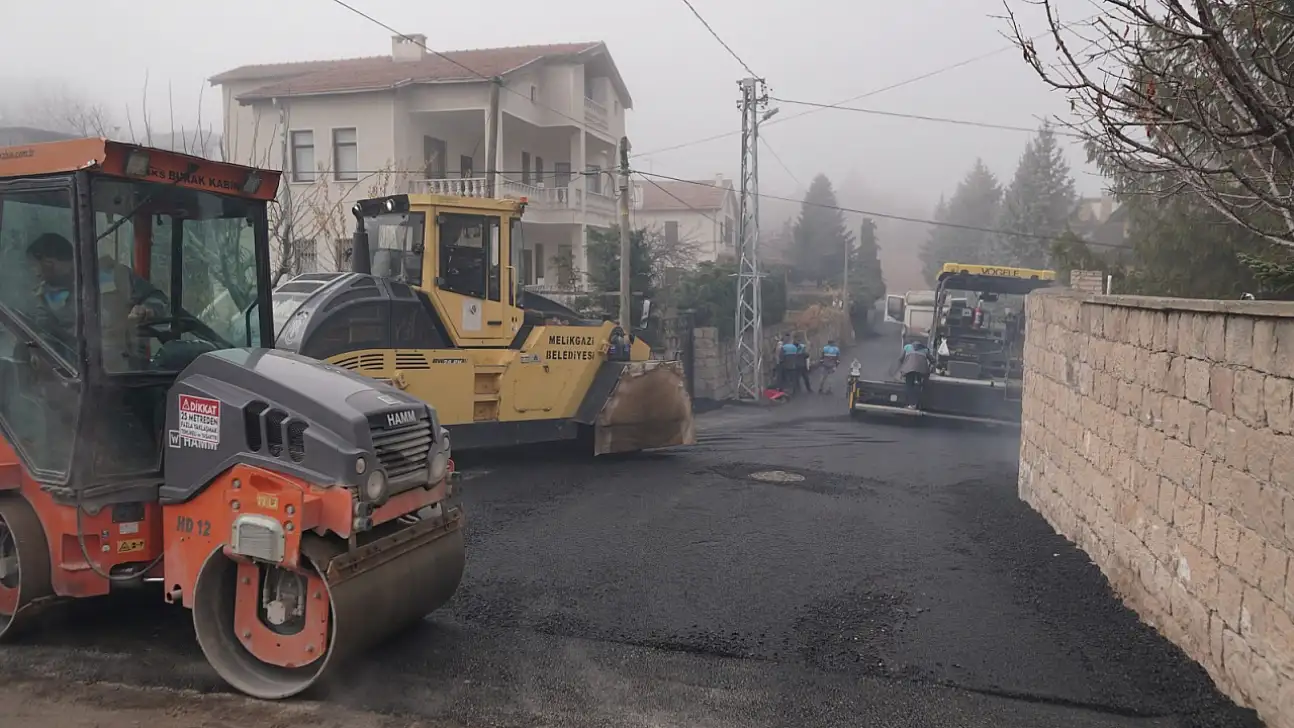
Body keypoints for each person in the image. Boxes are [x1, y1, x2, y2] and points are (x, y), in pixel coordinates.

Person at [897, 340, 933, 410]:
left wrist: (902, 368)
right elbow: (933, 360)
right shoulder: (925, 350)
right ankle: (917, 404)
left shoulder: (907, 347)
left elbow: (901, 359)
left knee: (909, 386)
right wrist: (930, 368)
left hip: (909, 370)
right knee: (919, 385)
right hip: (921, 370)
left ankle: (910, 404)